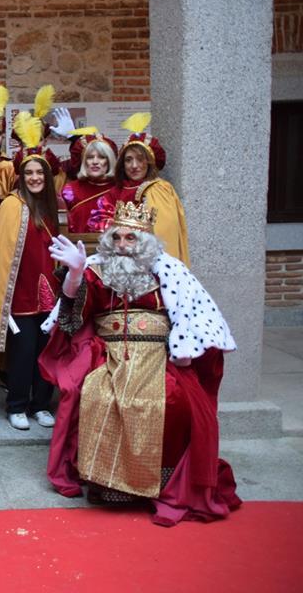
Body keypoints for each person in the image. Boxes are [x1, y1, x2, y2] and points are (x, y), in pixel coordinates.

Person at [40, 201, 241, 525]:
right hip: (110, 353)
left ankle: (160, 483)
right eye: (116, 238)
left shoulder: (172, 272)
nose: (121, 245)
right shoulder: (96, 268)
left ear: (145, 240)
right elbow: (70, 322)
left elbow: (191, 314)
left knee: (172, 400)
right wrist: (75, 276)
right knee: (97, 394)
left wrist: (185, 347)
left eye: (130, 239)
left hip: (158, 355)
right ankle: (108, 484)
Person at [0, 112, 61, 430]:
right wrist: (4, 298)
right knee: (22, 354)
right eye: (30, 173)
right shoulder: (12, 205)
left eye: (40, 172)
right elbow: (1, 255)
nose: (36, 177)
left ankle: (41, 404)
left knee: (46, 353)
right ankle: (16, 405)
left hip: (48, 296)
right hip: (21, 295)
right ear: (22, 176)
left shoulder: (50, 210)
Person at [105, 113, 190, 265]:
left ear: (150, 162)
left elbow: (164, 234)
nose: (134, 166)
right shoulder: (115, 191)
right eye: (128, 160)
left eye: (140, 159)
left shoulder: (159, 189)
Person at [54, 119, 119, 233]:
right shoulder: (70, 191)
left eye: (101, 157)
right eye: (90, 157)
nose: (95, 161)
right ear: (84, 162)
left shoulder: (120, 189)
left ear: (109, 161)